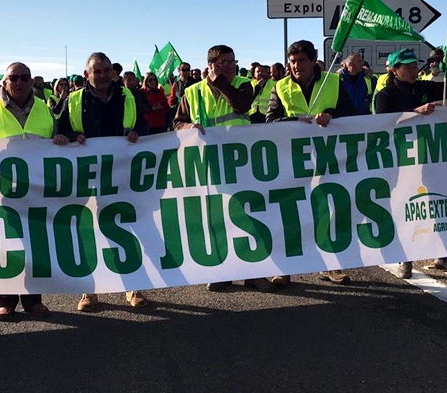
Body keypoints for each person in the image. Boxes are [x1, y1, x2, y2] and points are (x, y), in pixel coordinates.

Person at [0, 62, 66, 320]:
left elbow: (55, 139)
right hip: (2, 191)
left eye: (24, 77)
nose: (19, 82)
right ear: (4, 83)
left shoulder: (44, 109)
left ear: (31, 81)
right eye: (14, 78)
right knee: (5, 247)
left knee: (35, 245)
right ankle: (5, 301)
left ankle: (33, 300)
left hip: (35, 192)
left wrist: (60, 141)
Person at [173, 45, 275, 293]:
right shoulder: (193, 91)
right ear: (211, 65)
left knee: (248, 214)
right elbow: (176, 123)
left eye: (232, 61)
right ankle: (222, 272)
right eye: (224, 62)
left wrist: (219, 83)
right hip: (210, 164)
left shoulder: (243, 84)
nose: (231, 66)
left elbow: (241, 105)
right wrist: (189, 128)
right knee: (217, 218)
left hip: (242, 160)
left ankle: (255, 274)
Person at [57, 53, 148, 311]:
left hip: (121, 173)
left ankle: (133, 286)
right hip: (85, 175)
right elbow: (59, 131)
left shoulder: (128, 96)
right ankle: (89, 291)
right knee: (88, 230)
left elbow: (144, 123)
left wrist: (138, 132)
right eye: (97, 71)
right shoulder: (73, 100)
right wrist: (72, 136)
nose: (104, 75)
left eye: (107, 70)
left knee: (127, 226)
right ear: (87, 75)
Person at [266, 40, 357, 285]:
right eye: (292, 62)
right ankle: (284, 269)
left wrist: (331, 115)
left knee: (327, 210)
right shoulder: (280, 86)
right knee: (289, 212)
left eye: (301, 61)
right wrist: (294, 120)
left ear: (313, 59)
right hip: (292, 160)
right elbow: (270, 120)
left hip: (327, 158)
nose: (296, 66)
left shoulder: (333, 81)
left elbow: (351, 115)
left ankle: (331, 265)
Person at [372, 49, 447, 278]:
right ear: (394, 69)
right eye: (407, 66)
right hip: (401, 160)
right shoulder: (385, 95)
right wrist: (415, 113)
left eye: (414, 65)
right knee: (406, 208)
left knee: (437, 204)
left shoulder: (423, 86)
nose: (413, 70)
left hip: (429, 156)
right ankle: (406, 258)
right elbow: (385, 124)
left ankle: (443, 255)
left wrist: (445, 67)